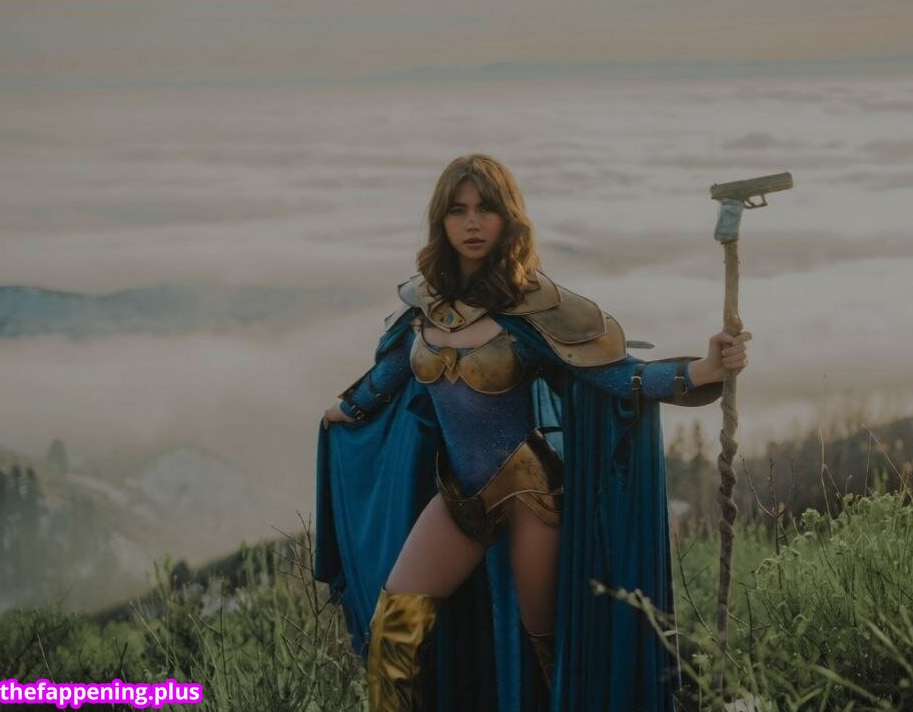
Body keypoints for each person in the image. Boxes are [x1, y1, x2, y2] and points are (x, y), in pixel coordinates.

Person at [315, 154, 751, 712]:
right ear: (441, 221)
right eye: (458, 210)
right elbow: (389, 375)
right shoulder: (424, 308)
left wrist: (702, 371)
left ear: (508, 217)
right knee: (394, 632)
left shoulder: (535, 308)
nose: (472, 223)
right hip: (459, 499)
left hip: (532, 500)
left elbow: (615, 376)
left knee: (552, 654)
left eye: (486, 208)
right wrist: (344, 411)